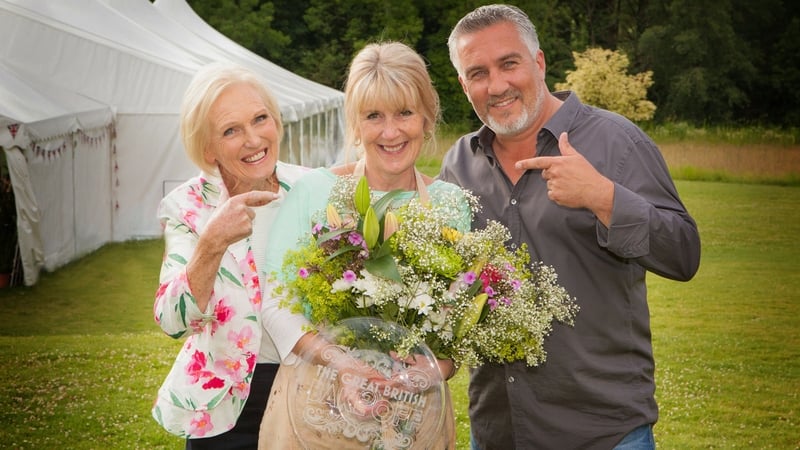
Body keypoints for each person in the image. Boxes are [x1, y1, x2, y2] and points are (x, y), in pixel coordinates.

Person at [439, 4, 701, 449]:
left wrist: (602, 196)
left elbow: (683, 253)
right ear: (465, 85)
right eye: (478, 73)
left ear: (538, 63)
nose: (497, 85)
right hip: (499, 432)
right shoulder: (459, 164)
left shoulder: (614, 141)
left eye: (509, 64)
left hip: (603, 434)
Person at [256, 41, 471, 449]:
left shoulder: (450, 205)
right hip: (317, 409)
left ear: (427, 117)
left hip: (415, 414)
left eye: (405, 112)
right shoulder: (314, 193)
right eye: (373, 116)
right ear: (355, 124)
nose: (390, 132)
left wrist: (435, 369)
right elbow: (275, 305)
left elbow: (456, 321)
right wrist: (344, 364)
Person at [151, 62, 310, 449]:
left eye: (260, 119)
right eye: (231, 130)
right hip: (225, 409)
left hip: (309, 394)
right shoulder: (185, 207)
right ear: (208, 147)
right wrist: (211, 241)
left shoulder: (312, 188)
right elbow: (172, 319)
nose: (254, 139)